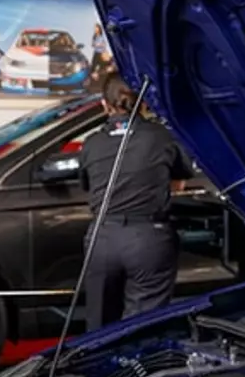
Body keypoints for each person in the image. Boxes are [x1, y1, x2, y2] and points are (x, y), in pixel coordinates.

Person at [78, 73, 194, 332]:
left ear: (104, 104)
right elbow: (179, 183)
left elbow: (89, 186)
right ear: (143, 103)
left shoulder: (91, 143)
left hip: (102, 238)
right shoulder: (162, 137)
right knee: (143, 329)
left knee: (98, 329)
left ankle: (101, 359)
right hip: (148, 239)